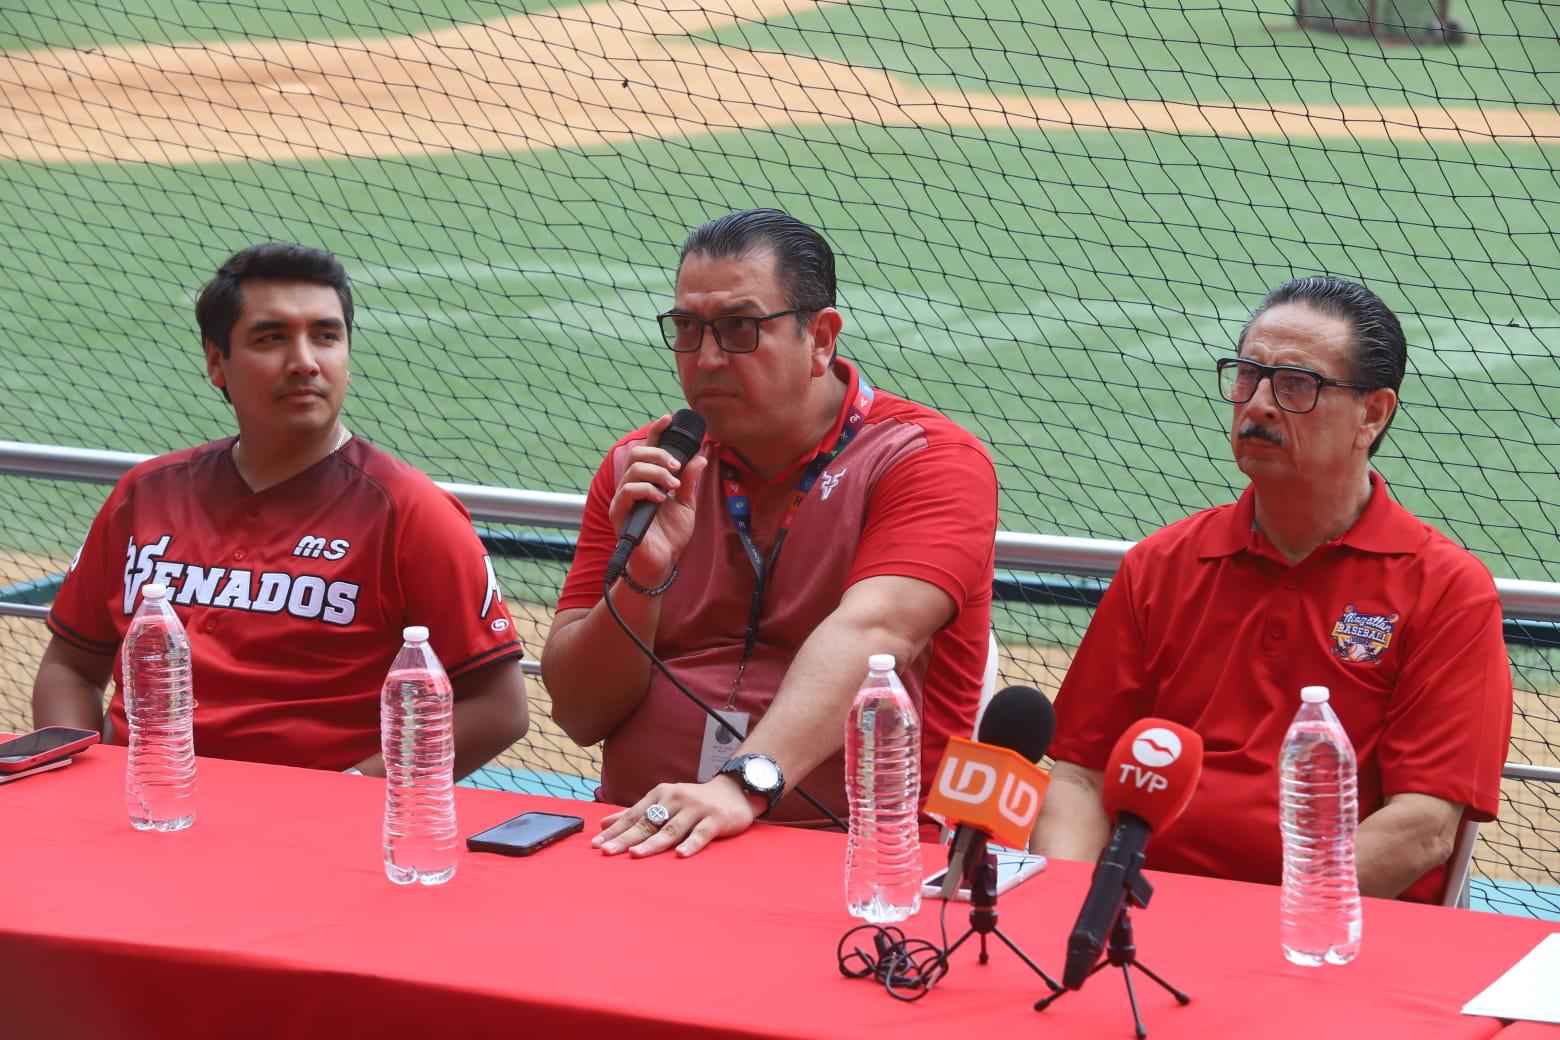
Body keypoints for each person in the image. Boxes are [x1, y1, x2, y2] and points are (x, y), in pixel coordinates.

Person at [1032, 275, 1512, 902]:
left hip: (1326, 930)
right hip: (1143, 914)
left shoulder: (1447, 590)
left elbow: (1420, 827)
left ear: (1372, 413)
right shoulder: (1161, 563)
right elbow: (1081, 779)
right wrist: (1072, 901)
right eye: (1247, 375)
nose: (1258, 403)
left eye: (1296, 384)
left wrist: (1260, 923)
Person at [542, 208, 998, 858]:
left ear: (821, 338)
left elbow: (873, 634)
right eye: (688, 329)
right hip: (640, 838)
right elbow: (579, 714)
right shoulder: (643, 469)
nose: (706, 358)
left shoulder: (927, 460)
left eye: (739, 328)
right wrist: (644, 577)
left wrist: (741, 786)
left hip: (858, 862)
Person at [33, 242, 529, 779]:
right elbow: (70, 668)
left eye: (326, 336)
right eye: (271, 338)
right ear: (216, 362)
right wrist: (80, 781)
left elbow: (498, 708)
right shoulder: (145, 494)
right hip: (146, 806)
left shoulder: (411, 513)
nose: (305, 362)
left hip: (307, 834)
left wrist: (348, 797)